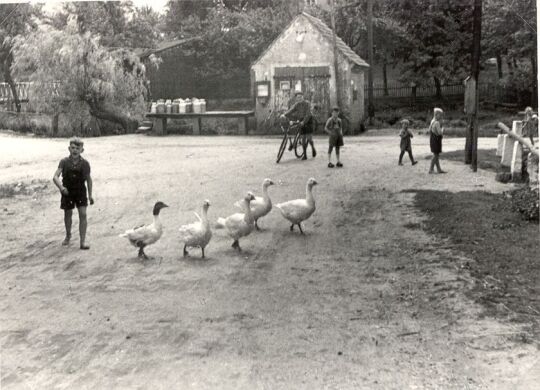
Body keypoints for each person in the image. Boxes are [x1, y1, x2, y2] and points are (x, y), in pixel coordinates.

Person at [53, 137, 94, 249]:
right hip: (67, 192)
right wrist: (61, 188)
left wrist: (90, 195)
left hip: (80, 191)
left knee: (83, 214)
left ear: (82, 150)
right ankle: (68, 235)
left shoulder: (85, 164)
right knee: (68, 214)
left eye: (78, 148)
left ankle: (83, 242)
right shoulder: (64, 162)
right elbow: (55, 177)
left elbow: (89, 180)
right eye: (73, 148)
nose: (75, 150)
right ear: (69, 149)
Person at [281, 91, 316, 160]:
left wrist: (304, 122)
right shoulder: (297, 105)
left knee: (309, 138)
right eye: (298, 98)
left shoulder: (307, 103)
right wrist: (284, 114)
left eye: (300, 97)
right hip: (301, 120)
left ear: (303, 97)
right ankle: (305, 155)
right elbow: (291, 110)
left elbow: (308, 114)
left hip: (308, 120)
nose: (299, 99)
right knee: (303, 138)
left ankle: (313, 148)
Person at [428, 107, 446, 174]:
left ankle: (439, 169)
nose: (441, 117)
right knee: (436, 155)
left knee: (436, 154)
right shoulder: (437, 123)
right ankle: (431, 169)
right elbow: (439, 133)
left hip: (432, 139)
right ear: (436, 114)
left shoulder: (432, 121)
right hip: (436, 140)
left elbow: (429, 130)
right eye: (440, 115)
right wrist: (443, 129)